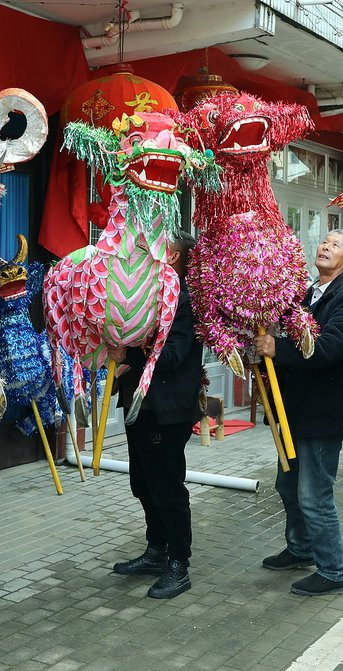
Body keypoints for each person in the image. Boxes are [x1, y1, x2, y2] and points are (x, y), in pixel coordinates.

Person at [254, 229, 343, 596]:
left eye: (335, 246)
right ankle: (300, 549)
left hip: (322, 414)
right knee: (287, 483)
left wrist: (276, 349)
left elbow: (330, 349)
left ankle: (333, 571)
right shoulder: (306, 292)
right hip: (294, 410)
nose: (325, 247)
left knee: (315, 494)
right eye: (324, 241)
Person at [107, 232, 205, 600]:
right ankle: (156, 549)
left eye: (155, 247)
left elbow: (176, 355)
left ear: (174, 255)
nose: (144, 252)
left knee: (167, 489)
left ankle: (179, 564)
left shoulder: (184, 298)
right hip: (138, 405)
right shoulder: (144, 295)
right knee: (141, 484)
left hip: (167, 409)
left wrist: (129, 353)